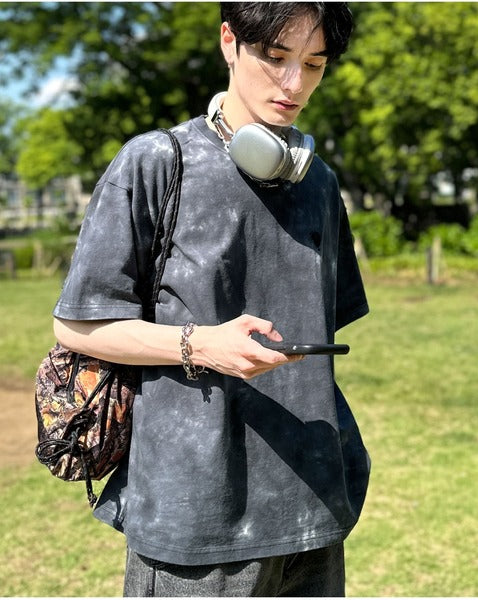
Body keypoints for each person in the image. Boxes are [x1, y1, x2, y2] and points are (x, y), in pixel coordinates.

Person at [52, 2, 370, 596]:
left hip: (315, 509)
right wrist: (201, 345)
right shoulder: (157, 163)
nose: (294, 83)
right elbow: (77, 327)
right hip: (193, 518)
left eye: (314, 64)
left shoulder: (320, 183)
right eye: (275, 57)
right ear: (230, 41)